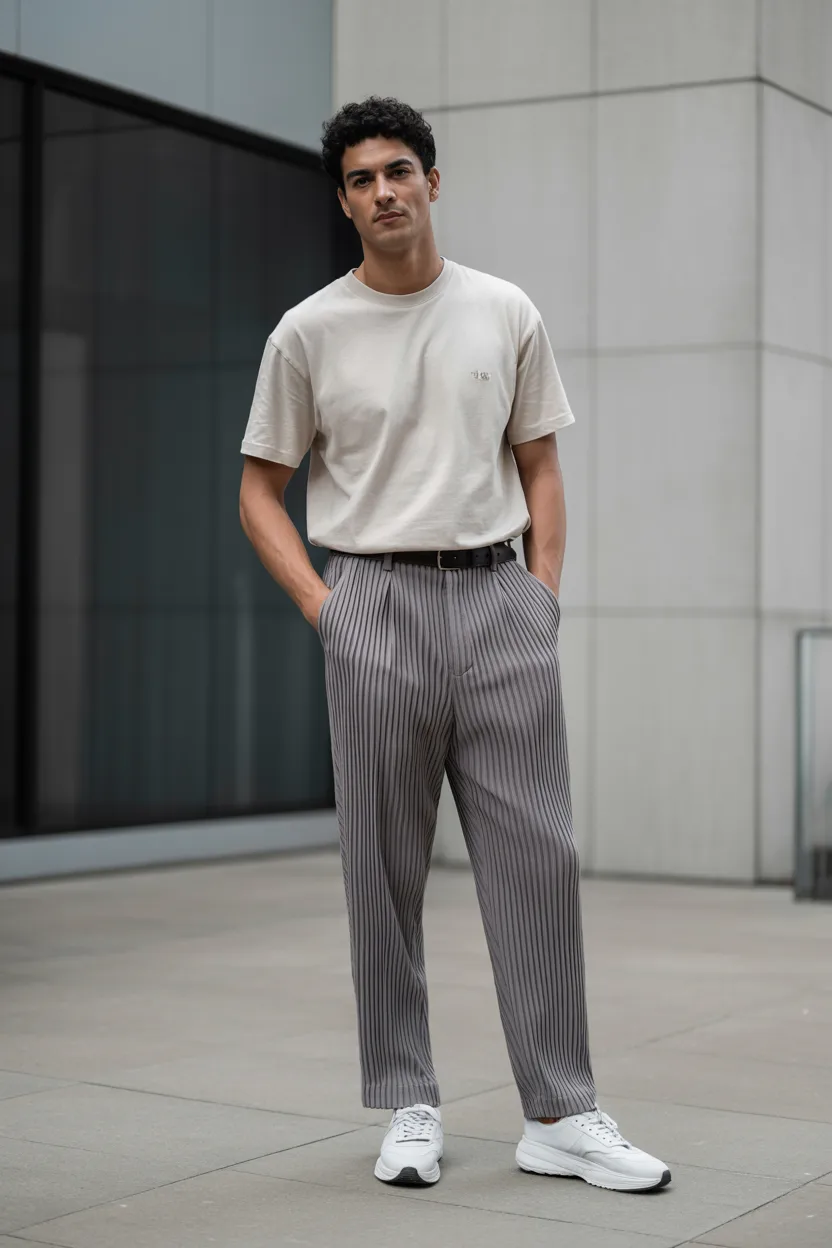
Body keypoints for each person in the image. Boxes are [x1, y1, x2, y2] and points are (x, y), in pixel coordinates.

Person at [239, 96, 670, 1195]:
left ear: (433, 180)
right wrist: (326, 612)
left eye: (397, 171)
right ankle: (408, 1102)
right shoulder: (308, 331)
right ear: (342, 202)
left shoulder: (502, 311)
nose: (381, 192)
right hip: (372, 602)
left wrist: (543, 597)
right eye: (358, 180)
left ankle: (559, 1113)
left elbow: (540, 470)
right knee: (380, 869)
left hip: (496, 601)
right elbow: (258, 493)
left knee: (539, 860)